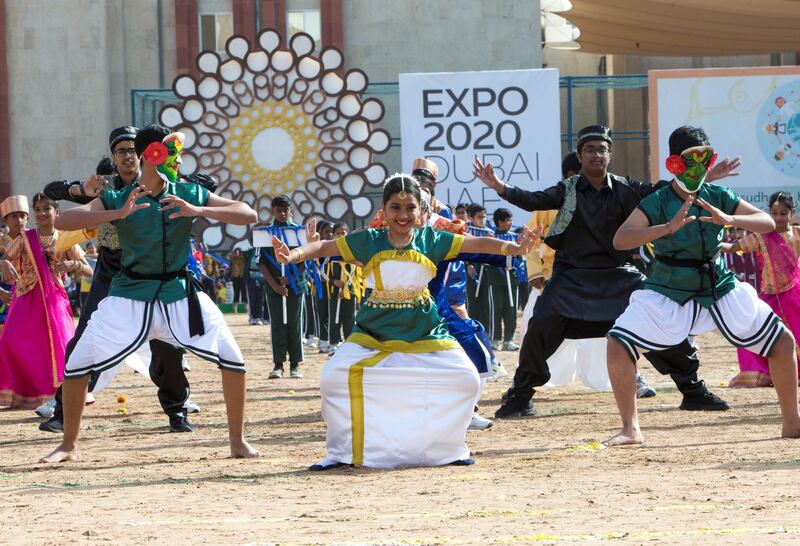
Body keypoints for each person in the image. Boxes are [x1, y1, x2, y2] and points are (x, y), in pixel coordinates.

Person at [271, 173, 537, 469]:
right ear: (383, 210)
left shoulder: (431, 239)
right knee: (332, 379)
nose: (403, 215)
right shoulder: (368, 240)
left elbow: (476, 243)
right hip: (374, 329)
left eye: (410, 207)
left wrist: (514, 249)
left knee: (467, 379)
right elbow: (324, 248)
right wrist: (292, 255)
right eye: (395, 208)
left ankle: (445, 450)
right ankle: (343, 453)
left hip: (424, 327)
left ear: (420, 210)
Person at [474, 124, 734, 419]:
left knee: (659, 316)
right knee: (540, 323)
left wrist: (705, 176)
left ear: (610, 154)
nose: (596, 154)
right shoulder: (567, 190)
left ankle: (692, 390)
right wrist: (499, 186)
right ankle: (520, 396)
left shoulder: (627, 188)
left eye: (601, 149)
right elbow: (533, 199)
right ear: (579, 155)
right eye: (589, 149)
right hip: (571, 277)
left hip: (621, 275)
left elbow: (669, 190)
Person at [39, 123, 260, 463]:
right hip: (129, 293)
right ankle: (68, 445)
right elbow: (65, 220)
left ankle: (237, 442)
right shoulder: (117, 195)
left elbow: (248, 213)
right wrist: (118, 214)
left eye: (168, 150)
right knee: (78, 361)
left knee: (233, 359)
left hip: (178, 292)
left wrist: (198, 211)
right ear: (146, 154)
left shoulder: (187, 192)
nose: (165, 157)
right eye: (158, 150)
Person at [605, 125, 800, 446]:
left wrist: (730, 219)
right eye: (691, 159)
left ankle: (792, 423)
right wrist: (667, 227)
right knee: (617, 344)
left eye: (705, 158)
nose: (699, 166)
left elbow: (766, 223)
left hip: (718, 284)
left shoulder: (718, 195)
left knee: (782, 340)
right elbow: (621, 238)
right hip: (668, 287)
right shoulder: (658, 201)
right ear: (675, 164)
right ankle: (631, 429)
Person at [40, 126, 211, 433]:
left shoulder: (163, 181)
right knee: (85, 339)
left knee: (166, 344)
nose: (128, 156)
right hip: (111, 268)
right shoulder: (104, 186)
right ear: (113, 157)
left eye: (134, 150)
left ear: (145, 154)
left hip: (152, 271)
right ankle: (63, 413)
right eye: (121, 151)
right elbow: (53, 191)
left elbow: (206, 184)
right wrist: (81, 191)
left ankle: (177, 411)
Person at [0, 194, 91, 409]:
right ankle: (27, 392)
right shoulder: (25, 238)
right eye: (37, 209)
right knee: (10, 341)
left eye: (46, 209)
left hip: (55, 300)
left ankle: (61, 395)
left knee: (59, 346)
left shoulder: (65, 238)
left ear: (56, 213)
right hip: (25, 298)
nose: (40, 213)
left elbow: (89, 269)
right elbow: (6, 258)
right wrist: (3, 263)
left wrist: (73, 265)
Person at [723, 191, 800, 387]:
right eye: (773, 213)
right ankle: (764, 374)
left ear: (793, 212)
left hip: (793, 294)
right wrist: (712, 244)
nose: (778, 218)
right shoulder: (762, 236)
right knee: (750, 329)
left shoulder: (798, 235)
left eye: (783, 213)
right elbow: (734, 247)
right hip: (769, 295)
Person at [260, 195, 308, 379]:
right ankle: (278, 364)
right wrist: (275, 284)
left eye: (285, 210)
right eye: (278, 210)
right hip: (274, 287)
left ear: (291, 211)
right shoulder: (265, 233)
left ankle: (295, 364)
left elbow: (306, 258)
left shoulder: (299, 232)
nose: (282, 213)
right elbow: (261, 262)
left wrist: (291, 277)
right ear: (273, 211)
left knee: (295, 323)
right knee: (278, 324)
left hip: (296, 285)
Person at [486, 208, 519, 351]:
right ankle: (494, 338)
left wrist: (513, 265)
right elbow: (486, 256)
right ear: (500, 222)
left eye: (511, 220)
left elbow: (520, 257)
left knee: (511, 310)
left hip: (511, 279)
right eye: (507, 220)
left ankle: (509, 339)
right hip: (495, 279)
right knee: (496, 309)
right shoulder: (491, 236)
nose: (510, 223)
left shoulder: (514, 237)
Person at [325, 222, 358, 356]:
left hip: (349, 291)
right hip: (333, 290)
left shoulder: (352, 251)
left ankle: (349, 343)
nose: (340, 235)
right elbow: (323, 271)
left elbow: (357, 272)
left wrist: (346, 287)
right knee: (334, 316)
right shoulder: (329, 252)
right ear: (334, 234)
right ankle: (333, 343)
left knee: (349, 317)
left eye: (343, 233)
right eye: (338, 233)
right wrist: (334, 281)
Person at [0, 196, 29, 336]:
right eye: (14, 216)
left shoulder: (35, 239)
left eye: (23, 216)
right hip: (5, 296)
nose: (19, 220)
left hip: (30, 297)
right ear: (5, 219)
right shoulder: (1, 243)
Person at [227, 247, 247, 312]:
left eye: (238, 251)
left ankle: (246, 307)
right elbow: (228, 256)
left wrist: (239, 254)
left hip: (242, 277)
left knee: (244, 292)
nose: (237, 252)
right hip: (235, 277)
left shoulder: (244, 258)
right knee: (236, 293)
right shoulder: (233, 258)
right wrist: (234, 253)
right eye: (236, 251)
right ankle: (234, 308)